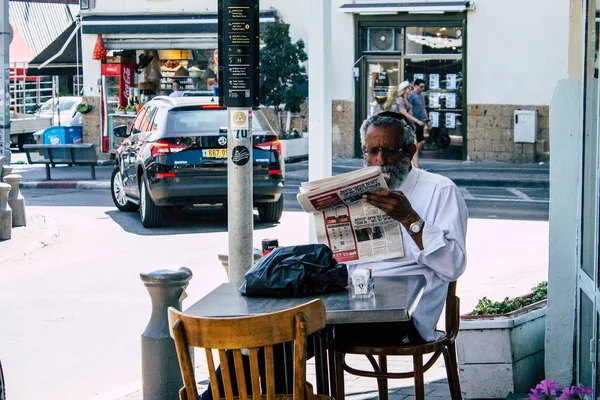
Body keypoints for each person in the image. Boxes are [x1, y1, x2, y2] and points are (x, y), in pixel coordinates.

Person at [334, 112, 468, 347]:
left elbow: (453, 267)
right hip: (355, 304)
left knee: (311, 335)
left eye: (389, 151)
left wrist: (409, 219)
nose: (380, 161)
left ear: (409, 152)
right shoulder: (357, 191)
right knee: (288, 330)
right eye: (372, 152)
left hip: (407, 316)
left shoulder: (440, 190)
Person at [408, 79, 430, 169]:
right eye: (421, 86)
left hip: (421, 121)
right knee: (416, 142)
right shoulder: (411, 95)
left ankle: (413, 159)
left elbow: (423, 108)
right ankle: (413, 162)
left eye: (424, 87)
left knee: (421, 142)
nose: (423, 88)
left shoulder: (422, 96)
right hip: (414, 122)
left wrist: (427, 120)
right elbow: (407, 109)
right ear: (415, 86)